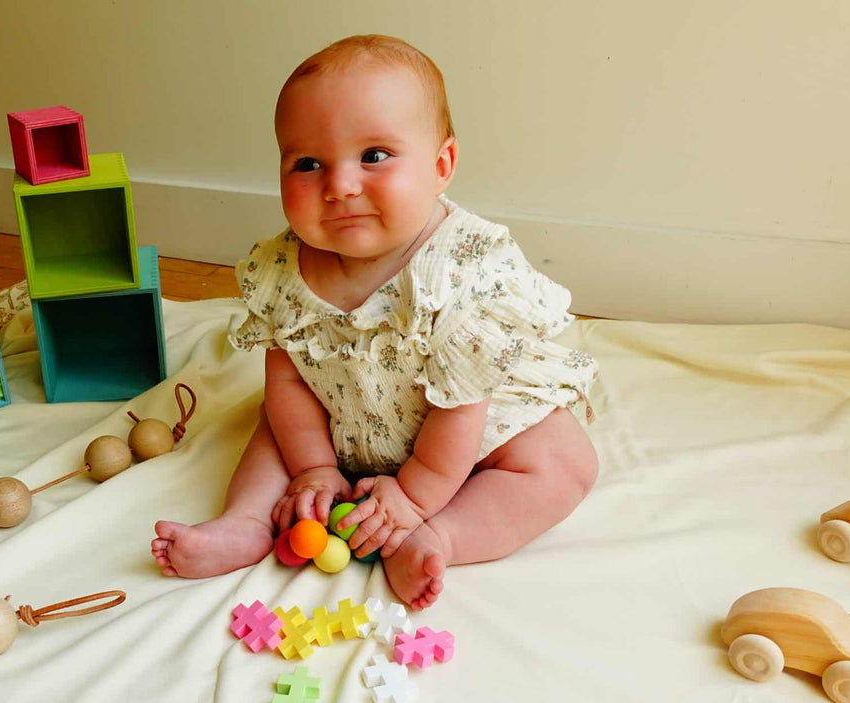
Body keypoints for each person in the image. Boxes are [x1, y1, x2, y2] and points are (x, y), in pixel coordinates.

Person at [151, 35, 599, 609]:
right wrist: (312, 467)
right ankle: (244, 523)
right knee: (271, 425)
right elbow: (288, 379)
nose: (339, 186)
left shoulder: (465, 273)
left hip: (472, 428)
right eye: (307, 164)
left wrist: (413, 500)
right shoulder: (282, 270)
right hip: (344, 415)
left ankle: (440, 537)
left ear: (441, 166)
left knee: (563, 464)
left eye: (374, 156)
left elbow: (463, 404)